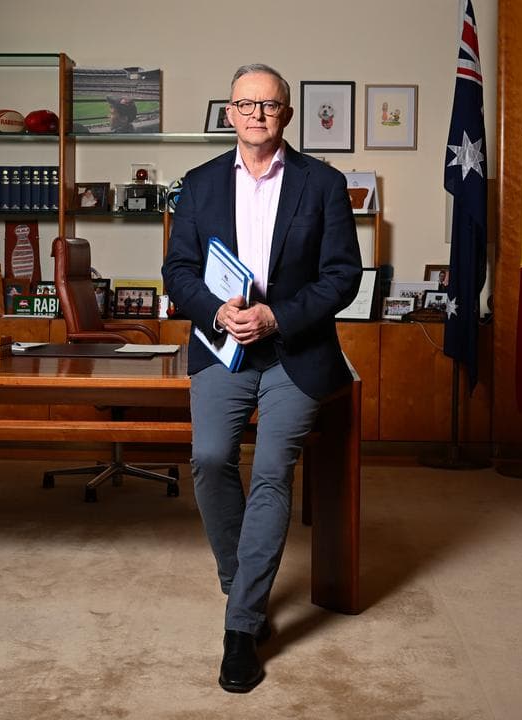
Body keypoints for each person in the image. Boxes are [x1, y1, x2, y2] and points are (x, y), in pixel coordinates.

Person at [162, 63, 362, 693]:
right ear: (228, 113)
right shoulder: (196, 185)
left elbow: (342, 276)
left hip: (294, 352)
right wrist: (214, 309)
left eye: (269, 105)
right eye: (245, 105)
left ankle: (240, 627)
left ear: (286, 115)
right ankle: (241, 583)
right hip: (220, 346)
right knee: (212, 458)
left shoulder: (323, 183)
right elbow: (178, 271)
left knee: (274, 469)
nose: (256, 114)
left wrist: (275, 315)